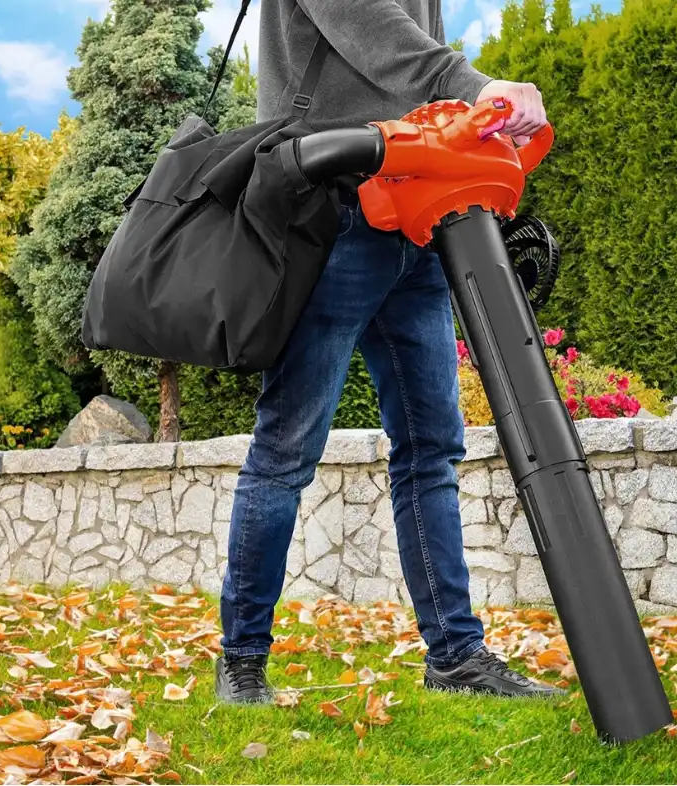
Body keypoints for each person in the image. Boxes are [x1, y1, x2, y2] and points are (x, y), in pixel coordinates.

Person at [215, 0, 556, 704]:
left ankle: (455, 657)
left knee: (432, 448)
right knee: (286, 449)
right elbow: (371, 29)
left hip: (418, 209)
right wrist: (476, 86)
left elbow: (417, 67)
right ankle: (241, 660)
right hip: (333, 211)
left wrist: (469, 122)